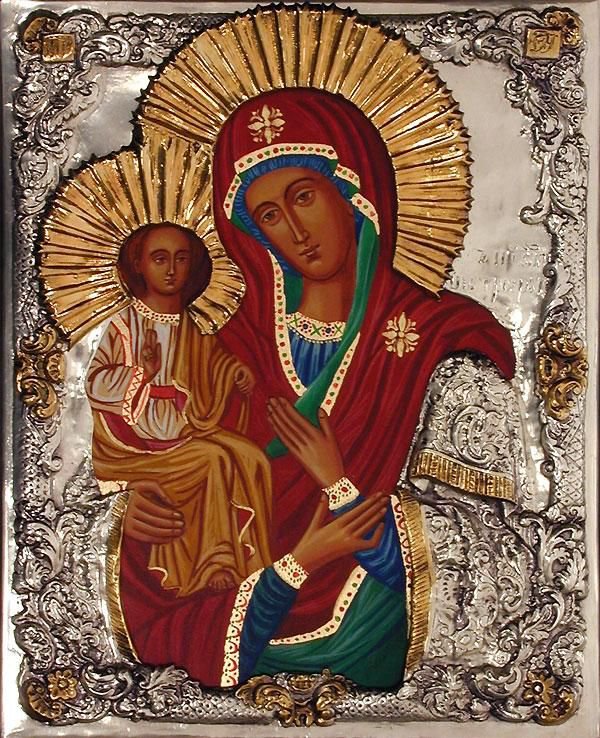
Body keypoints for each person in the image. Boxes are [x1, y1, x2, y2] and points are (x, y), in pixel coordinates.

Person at [114, 89, 517, 688]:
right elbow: (176, 492)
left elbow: (487, 563)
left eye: (304, 196)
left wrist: (339, 487)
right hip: (234, 631)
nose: (297, 230)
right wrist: (137, 511)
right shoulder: (223, 355)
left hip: (379, 639)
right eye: (269, 215)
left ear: (355, 193)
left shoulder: (445, 341)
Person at [87, 222, 273, 595]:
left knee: (253, 459)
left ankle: (256, 567)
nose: (171, 269)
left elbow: (213, 368)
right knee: (212, 459)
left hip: (185, 430)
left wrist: (232, 373)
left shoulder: (192, 327)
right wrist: (142, 373)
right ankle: (215, 562)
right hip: (131, 445)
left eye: (181, 259)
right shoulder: (124, 325)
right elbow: (93, 383)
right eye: (160, 259)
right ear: (139, 264)